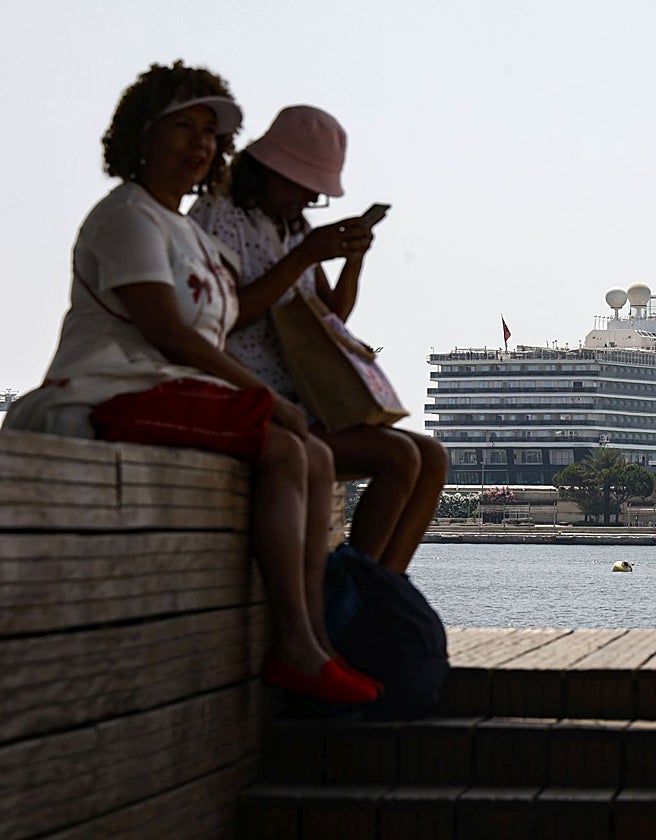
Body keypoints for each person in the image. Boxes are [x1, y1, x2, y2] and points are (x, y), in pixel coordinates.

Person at [3, 63, 376, 705]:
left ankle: (315, 641)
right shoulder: (127, 218)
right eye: (183, 126)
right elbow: (170, 334)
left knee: (312, 452)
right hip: (107, 389)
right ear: (141, 134)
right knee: (287, 446)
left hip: (167, 387)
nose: (200, 142)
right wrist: (267, 400)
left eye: (210, 130)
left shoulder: (188, 234)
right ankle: (296, 645)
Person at [189, 105, 447, 579]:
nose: (308, 198)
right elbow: (221, 317)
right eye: (301, 186)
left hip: (302, 403)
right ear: (269, 170)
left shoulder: (295, 229)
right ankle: (355, 588)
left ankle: (381, 587)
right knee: (398, 456)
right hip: (248, 401)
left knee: (432, 458)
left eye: (315, 192)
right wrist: (305, 256)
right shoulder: (219, 218)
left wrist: (352, 261)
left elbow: (332, 319)